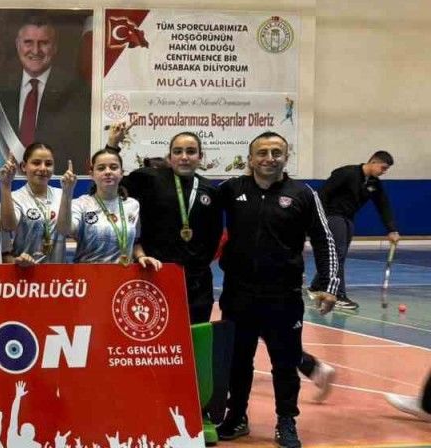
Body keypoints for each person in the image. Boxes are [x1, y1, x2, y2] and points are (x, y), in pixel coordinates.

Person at [214, 132, 338, 448]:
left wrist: (328, 284)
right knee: (238, 361)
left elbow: (324, 238)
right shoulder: (231, 190)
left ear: (286, 157)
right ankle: (236, 416)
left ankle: (286, 421)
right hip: (238, 294)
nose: (269, 158)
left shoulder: (303, 194)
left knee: (285, 363)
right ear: (250, 158)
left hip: (283, 296)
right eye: (262, 152)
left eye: (276, 152)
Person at [107, 127, 221, 323]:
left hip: (197, 282)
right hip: (155, 274)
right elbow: (109, 184)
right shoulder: (149, 179)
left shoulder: (210, 189)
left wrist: (197, 265)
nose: (184, 157)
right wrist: (112, 145)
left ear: (200, 157)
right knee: (155, 334)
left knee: (195, 334)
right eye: (178, 151)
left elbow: (214, 234)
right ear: (170, 157)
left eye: (191, 151)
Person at [0, 13, 91, 168]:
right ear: (18, 45)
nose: (35, 50)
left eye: (44, 43)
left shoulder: (75, 91)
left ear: (54, 47)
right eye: (28, 42)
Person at [308, 151, 398, 311]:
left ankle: (316, 286)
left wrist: (392, 230)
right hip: (332, 215)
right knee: (338, 254)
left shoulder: (374, 183)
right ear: (373, 162)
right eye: (383, 168)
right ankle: (338, 295)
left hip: (348, 218)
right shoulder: (346, 173)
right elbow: (322, 194)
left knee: (338, 255)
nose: (384, 172)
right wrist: (319, 218)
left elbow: (383, 205)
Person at [55, 149, 162, 269]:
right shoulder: (81, 204)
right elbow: (64, 230)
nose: (108, 172)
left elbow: (135, 241)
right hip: (88, 274)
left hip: (123, 274)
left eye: (113, 167)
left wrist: (141, 256)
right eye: (101, 168)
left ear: (121, 173)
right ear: (92, 174)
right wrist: (67, 192)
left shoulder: (133, 205)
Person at [0, 143, 65, 266]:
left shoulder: (62, 195)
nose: (43, 168)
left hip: (57, 274)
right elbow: (8, 226)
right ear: (24, 166)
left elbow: (69, 230)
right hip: (26, 271)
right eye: (36, 163)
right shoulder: (15, 197)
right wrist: (6, 184)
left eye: (48, 164)